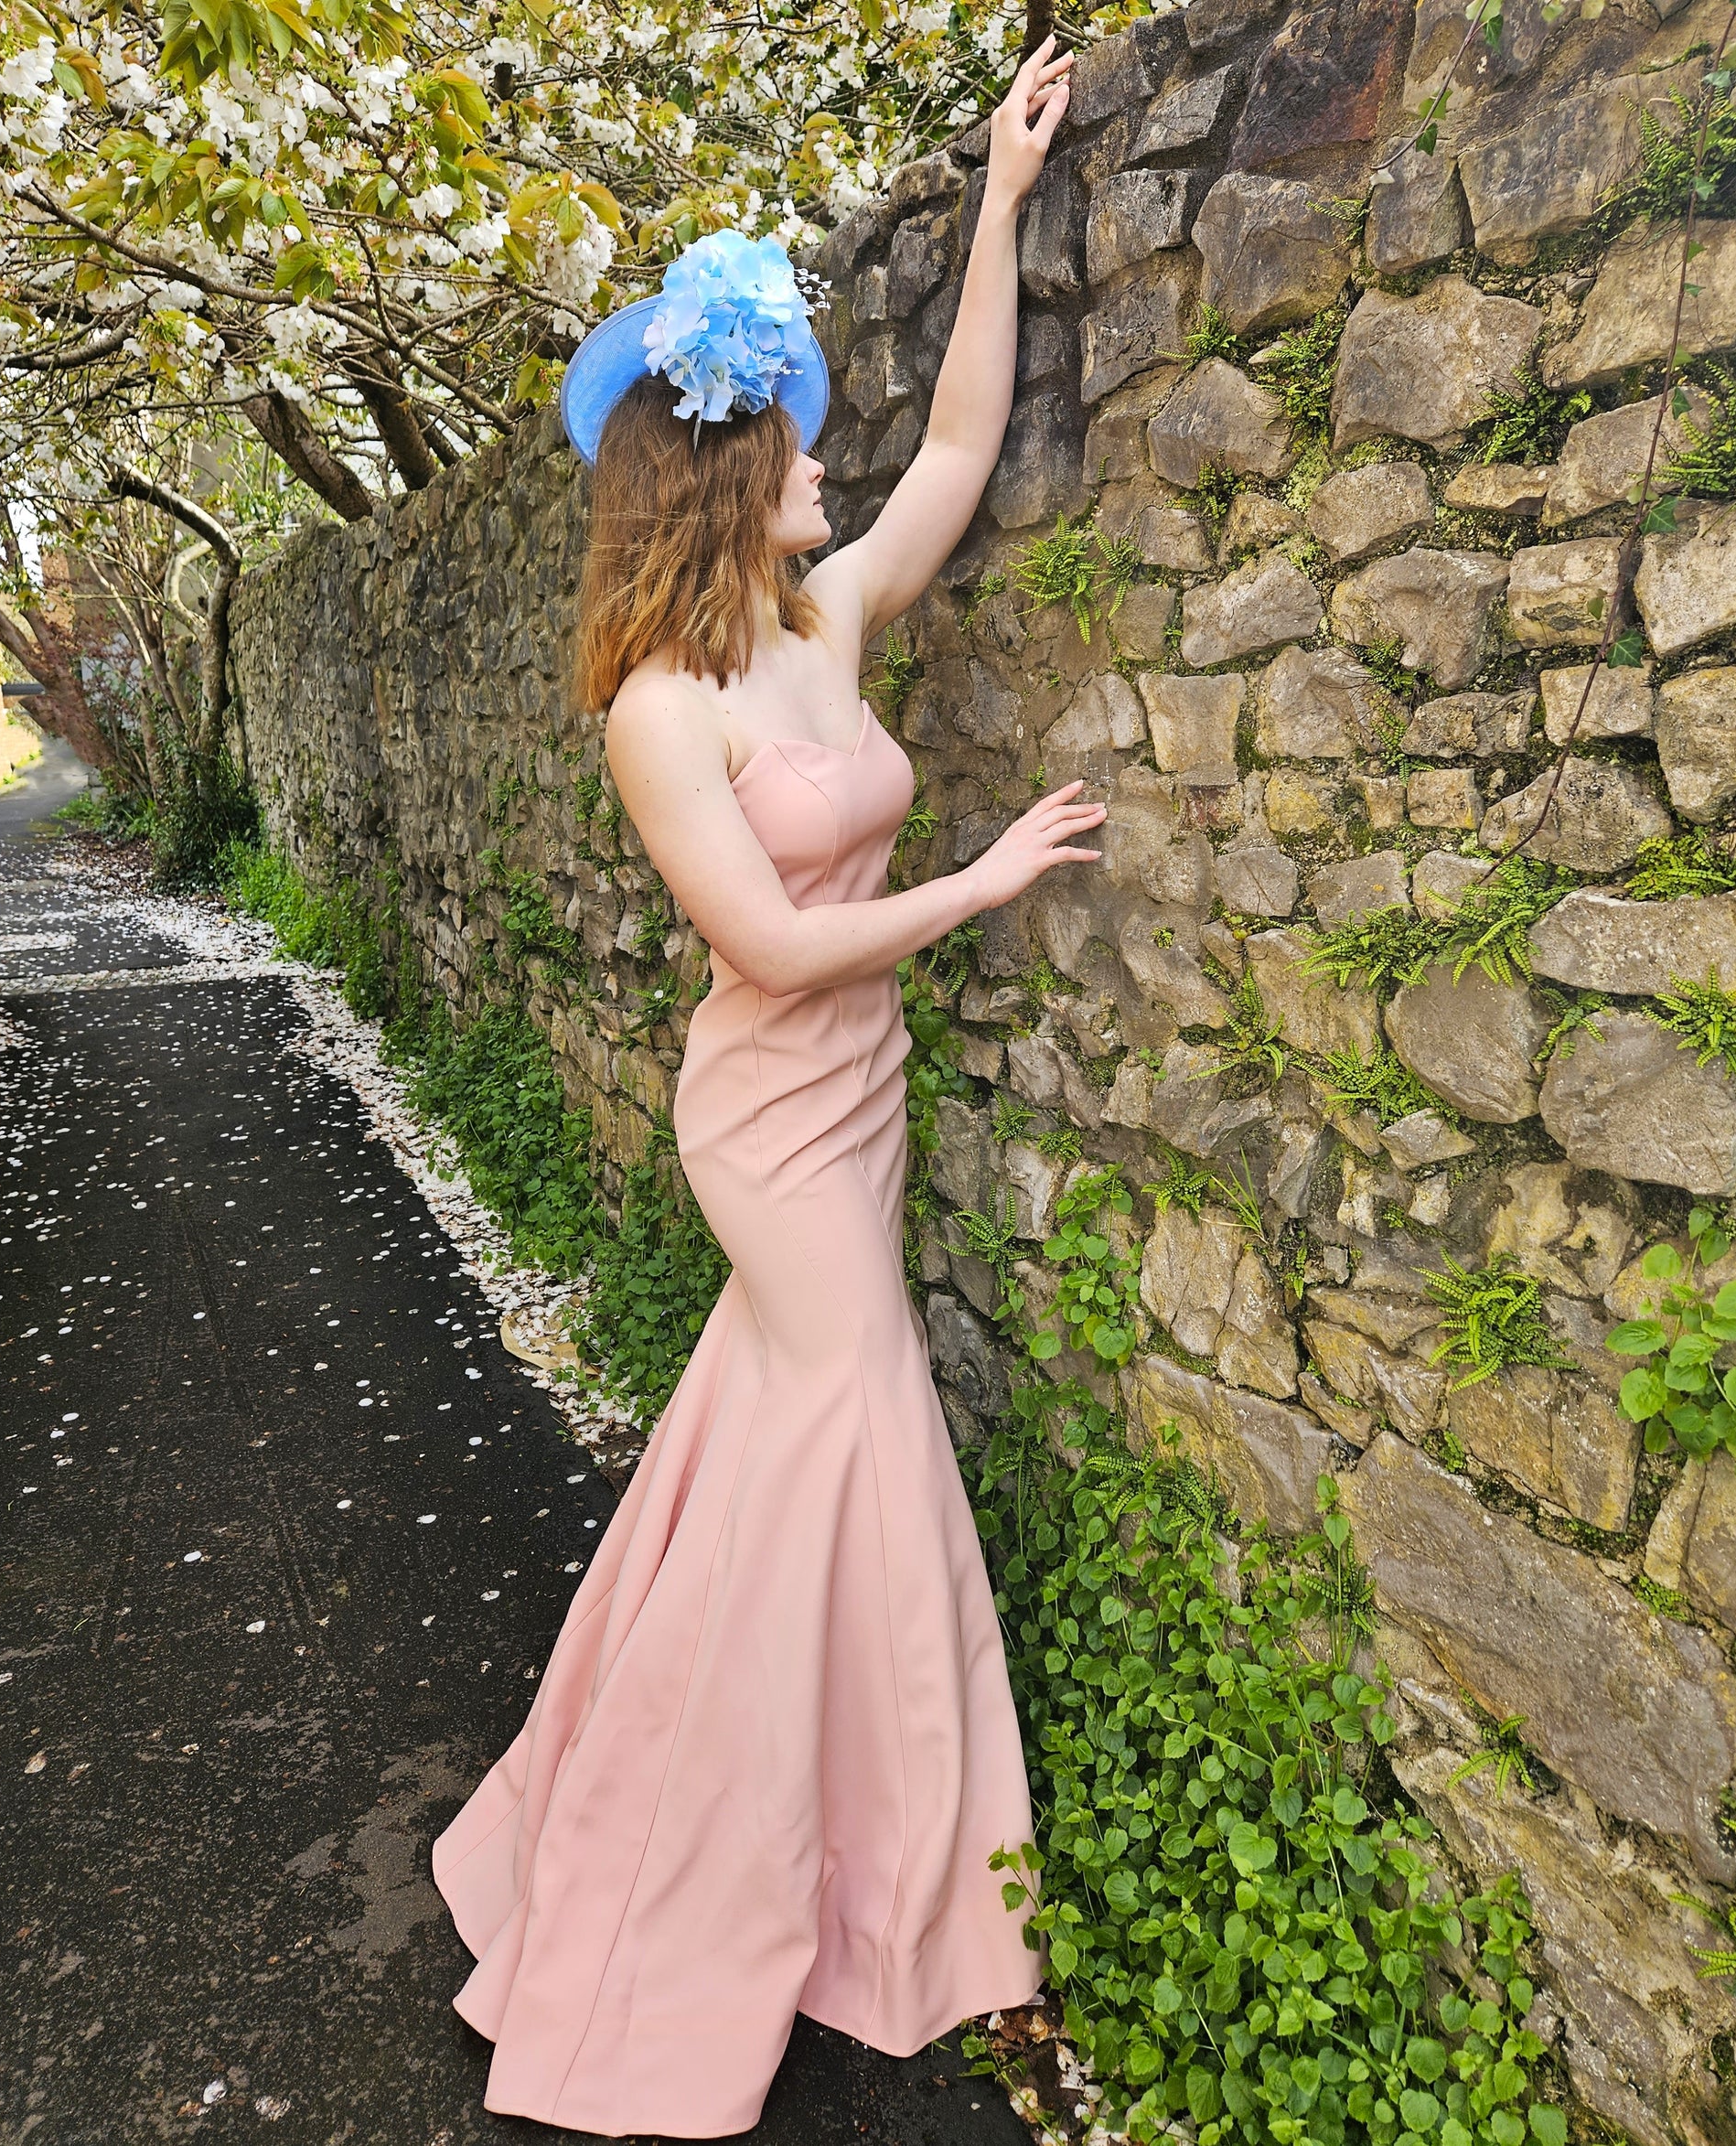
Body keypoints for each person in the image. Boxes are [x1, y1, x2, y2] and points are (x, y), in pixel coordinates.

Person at [432, 37, 1108, 2139]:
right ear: (726, 468)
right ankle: (879, 1898)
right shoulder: (659, 710)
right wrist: (984, 878)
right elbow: (772, 949)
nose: (832, 453)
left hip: (863, 1098)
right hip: (772, 1123)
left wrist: (1002, 203)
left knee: (759, 1460)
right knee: (863, 1436)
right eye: (798, 432)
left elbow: (970, 442)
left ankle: (730, 1829)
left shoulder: (825, 620)